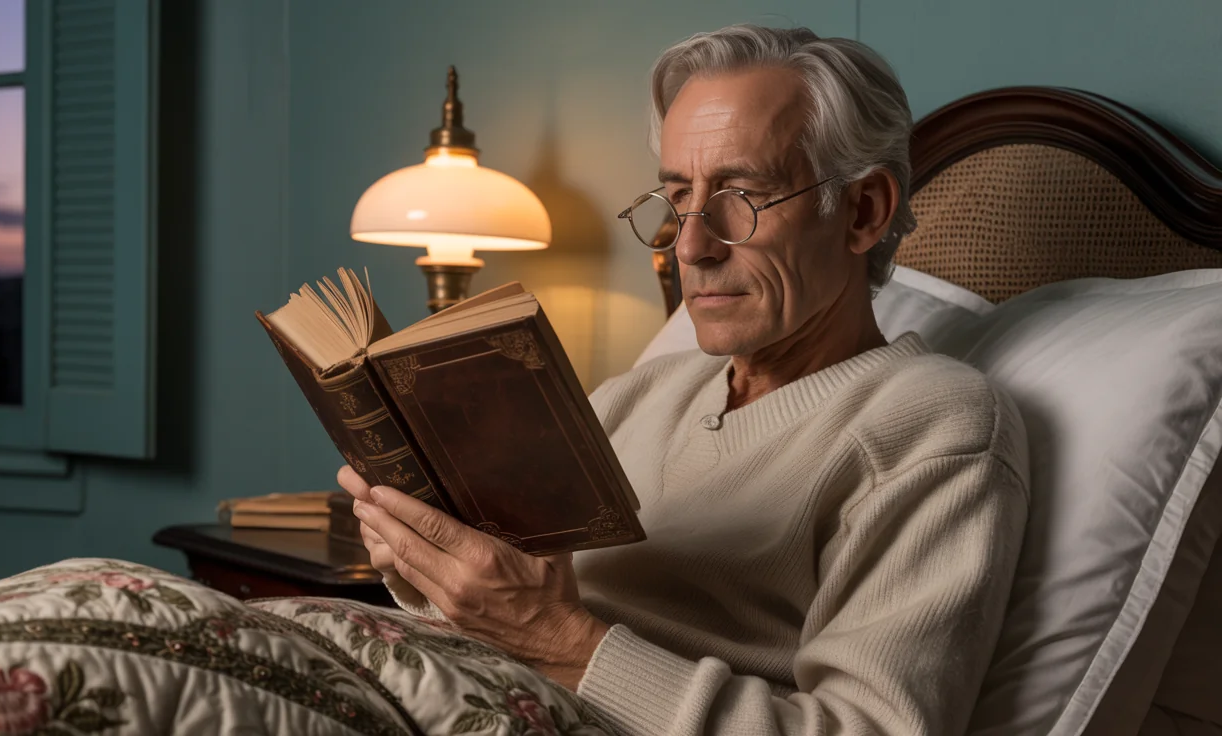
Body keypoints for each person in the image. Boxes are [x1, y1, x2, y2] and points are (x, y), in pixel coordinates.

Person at [340, 24, 1029, 736]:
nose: (690, 246)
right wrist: (424, 563)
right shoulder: (635, 395)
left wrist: (561, 642)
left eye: (743, 195)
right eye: (676, 198)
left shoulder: (933, 425)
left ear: (862, 211)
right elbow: (505, 625)